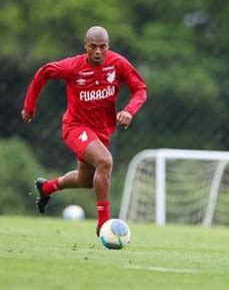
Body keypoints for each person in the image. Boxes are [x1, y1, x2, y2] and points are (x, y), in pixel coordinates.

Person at [22, 26, 147, 235]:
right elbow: (44, 73)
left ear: (108, 46)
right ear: (85, 46)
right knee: (105, 161)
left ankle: (47, 188)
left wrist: (129, 111)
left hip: (101, 131)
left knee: (85, 180)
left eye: (102, 47)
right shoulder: (72, 67)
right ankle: (104, 224)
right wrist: (29, 107)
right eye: (93, 47)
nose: (98, 51)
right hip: (75, 127)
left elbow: (140, 89)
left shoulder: (117, 63)